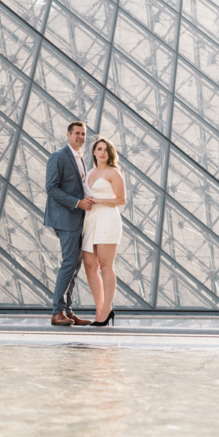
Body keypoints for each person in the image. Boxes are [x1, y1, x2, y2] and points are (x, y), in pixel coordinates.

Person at [45, 120, 95, 326]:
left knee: (75, 264)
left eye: (83, 134)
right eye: (77, 133)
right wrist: (78, 203)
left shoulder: (81, 158)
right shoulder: (58, 156)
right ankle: (57, 312)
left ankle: (67, 311)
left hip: (78, 219)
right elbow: (51, 188)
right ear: (68, 134)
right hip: (66, 218)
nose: (81, 137)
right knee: (69, 263)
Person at [80, 137, 126, 327]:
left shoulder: (113, 172)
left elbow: (121, 199)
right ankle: (100, 309)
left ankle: (107, 309)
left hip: (108, 219)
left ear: (110, 154)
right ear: (94, 152)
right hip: (91, 221)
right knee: (90, 265)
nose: (102, 152)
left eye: (106, 150)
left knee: (106, 265)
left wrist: (99, 200)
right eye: (99, 149)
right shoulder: (89, 172)